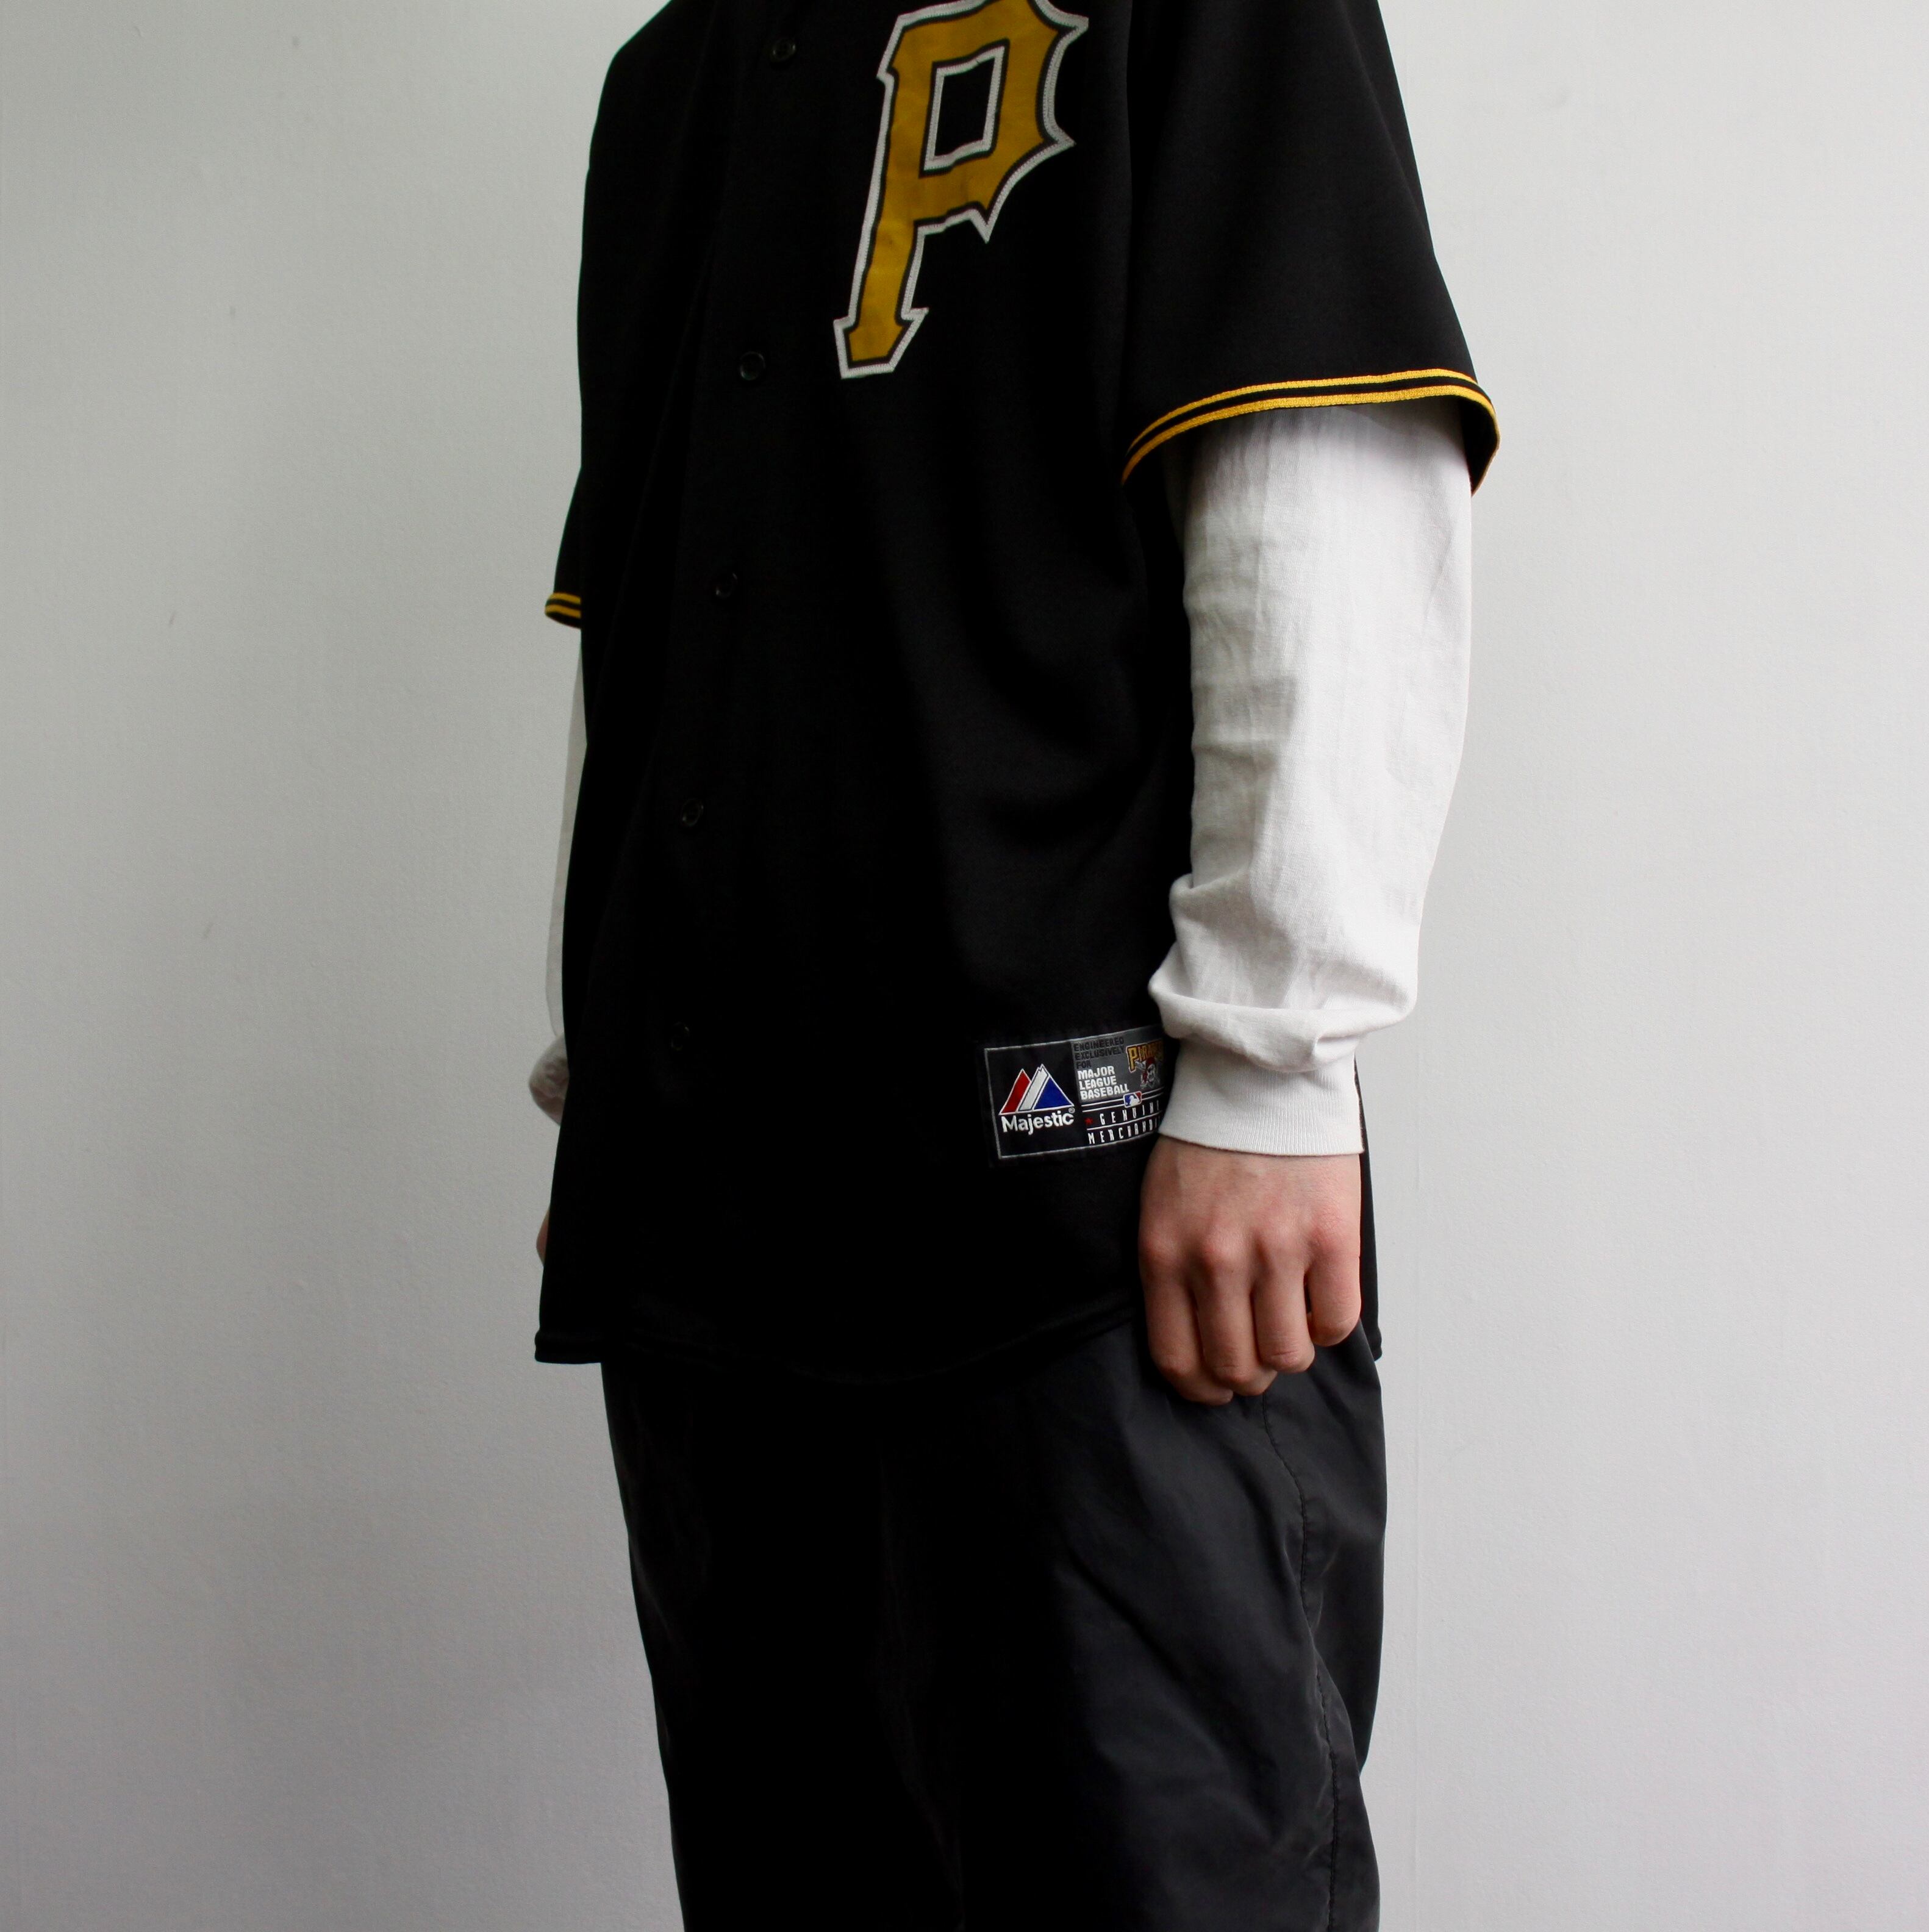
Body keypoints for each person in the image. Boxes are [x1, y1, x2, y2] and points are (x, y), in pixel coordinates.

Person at [527, 0, 1492, 1923]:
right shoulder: (669, 83)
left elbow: (1315, 475)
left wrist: (1273, 1059)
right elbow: (637, 617)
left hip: (1094, 1227)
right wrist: (598, 1067)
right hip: (712, 1208)